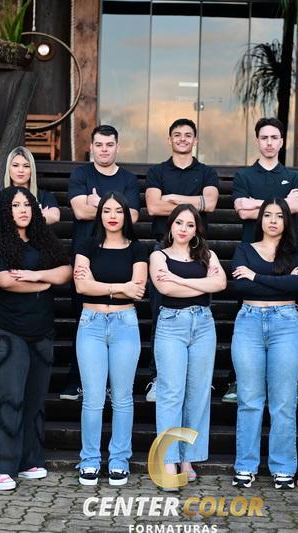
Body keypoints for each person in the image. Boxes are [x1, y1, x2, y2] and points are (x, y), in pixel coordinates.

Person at [0, 186, 72, 491]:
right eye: (16, 205)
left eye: (27, 204)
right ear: (5, 211)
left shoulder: (44, 240)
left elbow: (65, 272)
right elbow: (5, 281)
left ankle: (29, 460)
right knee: (10, 395)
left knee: (34, 397)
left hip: (40, 329)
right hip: (2, 328)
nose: (22, 210)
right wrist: (44, 284)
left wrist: (34, 276)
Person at [226, 117, 298, 404]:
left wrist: (256, 204)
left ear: (282, 142)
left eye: (274, 137)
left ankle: (293, 381)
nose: (269, 142)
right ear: (257, 141)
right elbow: (242, 211)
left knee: (289, 304)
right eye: (264, 137)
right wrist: (281, 203)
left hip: (285, 249)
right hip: (252, 250)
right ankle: (238, 379)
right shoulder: (244, 176)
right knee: (246, 309)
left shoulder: (293, 177)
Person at [230, 198, 298, 490]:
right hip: (248, 322)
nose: (273, 221)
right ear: (260, 219)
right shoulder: (244, 250)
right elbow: (240, 286)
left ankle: (283, 467)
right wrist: (280, 280)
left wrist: (256, 276)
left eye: (279, 216)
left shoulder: (297, 252)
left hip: (286, 324)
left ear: (287, 221)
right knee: (249, 399)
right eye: (268, 215)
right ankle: (245, 466)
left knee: (284, 401)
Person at [73, 192, 148, 486]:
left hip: (124, 324)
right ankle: (89, 460)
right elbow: (82, 286)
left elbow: (137, 289)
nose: (113, 216)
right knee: (93, 398)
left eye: (118, 211)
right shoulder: (87, 245)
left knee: (122, 397)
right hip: (90, 324)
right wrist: (120, 287)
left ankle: (119, 460)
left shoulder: (137, 249)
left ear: (126, 216)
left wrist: (101, 285)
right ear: (100, 215)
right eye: (107, 210)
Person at [62, 125, 141, 401]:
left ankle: (111, 385)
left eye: (109, 144)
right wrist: (112, 208)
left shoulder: (128, 179)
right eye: (99, 144)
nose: (104, 149)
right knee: (82, 320)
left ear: (117, 147)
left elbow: (133, 217)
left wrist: (96, 203)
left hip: (120, 257)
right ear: (91, 147)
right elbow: (78, 210)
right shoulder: (81, 174)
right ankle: (77, 381)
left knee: (118, 321)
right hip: (86, 254)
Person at [144, 118, 220, 402]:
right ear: (169, 140)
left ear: (195, 140)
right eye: (177, 135)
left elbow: (210, 203)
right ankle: (158, 377)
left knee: (200, 305)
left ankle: (198, 379)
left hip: (197, 249)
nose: (183, 139)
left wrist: (174, 198)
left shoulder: (207, 172)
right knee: (160, 312)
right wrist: (193, 201)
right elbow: (153, 206)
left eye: (188, 135)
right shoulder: (157, 171)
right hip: (163, 247)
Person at [150, 204, 226, 485]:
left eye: (190, 224)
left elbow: (220, 284)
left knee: (198, 394)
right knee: (171, 393)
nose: (184, 229)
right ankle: (168, 462)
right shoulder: (158, 255)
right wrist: (201, 282)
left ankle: (188, 458)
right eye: (179, 223)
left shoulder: (208, 254)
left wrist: (179, 278)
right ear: (170, 226)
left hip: (203, 324)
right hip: (172, 324)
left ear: (197, 230)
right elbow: (166, 289)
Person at [0, 146, 60, 401]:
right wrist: (43, 284)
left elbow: (55, 215)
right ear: (8, 169)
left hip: (38, 261)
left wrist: (27, 219)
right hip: (6, 262)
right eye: (16, 165)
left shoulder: (44, 195)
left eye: (26, 166)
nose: (21, 170)